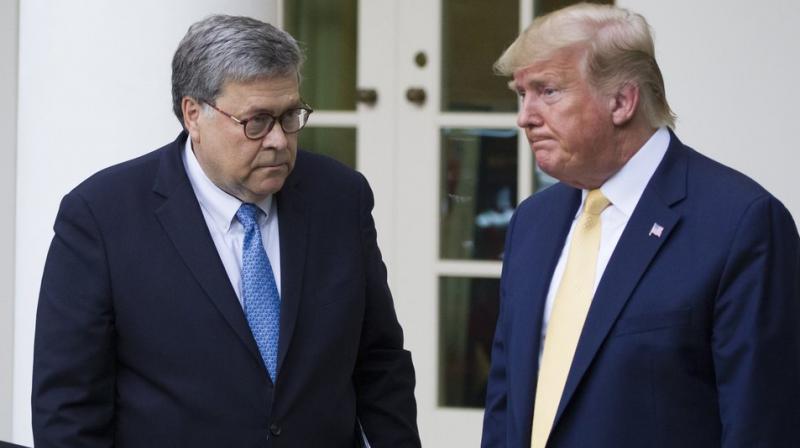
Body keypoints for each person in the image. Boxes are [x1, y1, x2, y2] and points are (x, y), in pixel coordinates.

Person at [32, 14, 420, 447]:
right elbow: (68, 406)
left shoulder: (341, 198)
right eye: (256, 121)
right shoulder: (101, 217)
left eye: (290, 115)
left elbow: (380, 362)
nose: (278, 139)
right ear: (193, 115)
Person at [481, 4, 800, 447]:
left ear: (622, 101)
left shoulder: (741, 223)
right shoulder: (532, 222)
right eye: (522, 94)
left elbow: (761, 425)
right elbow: (505, 402)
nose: (525, 116)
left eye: (547, 91)